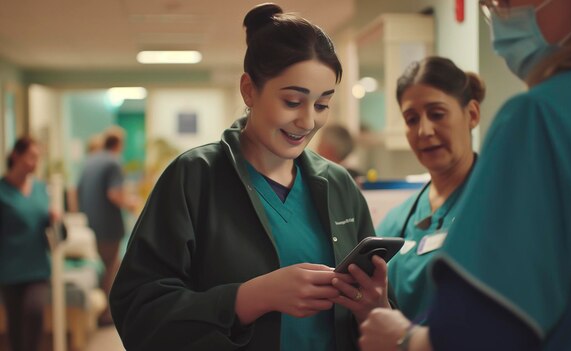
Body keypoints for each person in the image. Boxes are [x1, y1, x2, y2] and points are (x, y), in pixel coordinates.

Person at [110, 3, 391, 350]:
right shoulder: (194, 177)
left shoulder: (339, 185)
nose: (307, 122)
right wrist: (249, 298)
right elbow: (138, 313)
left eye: (322, 105)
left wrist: (375, 309)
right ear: (249, 90)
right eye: (292, 101)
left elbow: (374, 323)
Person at [359, 0, 571, 350]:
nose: (496, 13)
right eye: (411, 119)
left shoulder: (539, 119)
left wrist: (402, 340)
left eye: (506, 2)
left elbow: (479, 332)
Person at [376, 56, 483, 322]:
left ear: (471, 114)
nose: (424, 130)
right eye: (412, 119)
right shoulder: (395, 223)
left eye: (437, 114)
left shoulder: (502, 203)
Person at [0, 137, 56, 351]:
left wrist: (53, 218)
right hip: (9, 269)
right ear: (16, 155)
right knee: (14, 323)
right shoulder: (2, 191)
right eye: (31, 157)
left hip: (38, 266)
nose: (35, 163)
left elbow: (51, 227)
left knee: (34, 312)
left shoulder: (41, 189)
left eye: (37, 158)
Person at [77, 126, 135, 325]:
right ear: (118, 144)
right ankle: (106, 314)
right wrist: (132, 204)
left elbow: (76, 190)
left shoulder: (90, 160)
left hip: (90, 225)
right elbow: (114, 194)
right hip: (108, 227)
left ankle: (98, 312)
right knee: (111, 270)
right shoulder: (114, 162)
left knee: (102, 268)